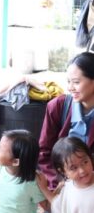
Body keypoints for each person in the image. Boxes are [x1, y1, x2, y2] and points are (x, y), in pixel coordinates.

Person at [38, 52, 94, 190]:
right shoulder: (57, 106)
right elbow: (44, 152)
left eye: (76, 82)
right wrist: (57, 183)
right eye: (68, 82)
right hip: (62, 186)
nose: (70, 88)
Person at [38, 136, 94, 212]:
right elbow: (58, 207)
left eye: (85, 162)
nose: (82, 170)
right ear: (63, 172)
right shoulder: (67, 187)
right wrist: (44, 189)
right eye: (73, 168)